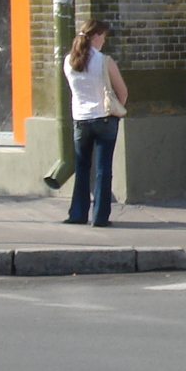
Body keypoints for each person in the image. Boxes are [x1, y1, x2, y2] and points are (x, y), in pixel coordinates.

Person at [62, 18, 126, 228]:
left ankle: (78, 213)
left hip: (80, 119)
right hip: (104, 118)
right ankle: (100, 216)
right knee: (103, 169)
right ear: (96, 36)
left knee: (82, 167)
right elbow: (122, 92)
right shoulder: (104, 61)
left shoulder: (69, 61)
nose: (104, 41)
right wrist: (117, 108)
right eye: (104, 37)